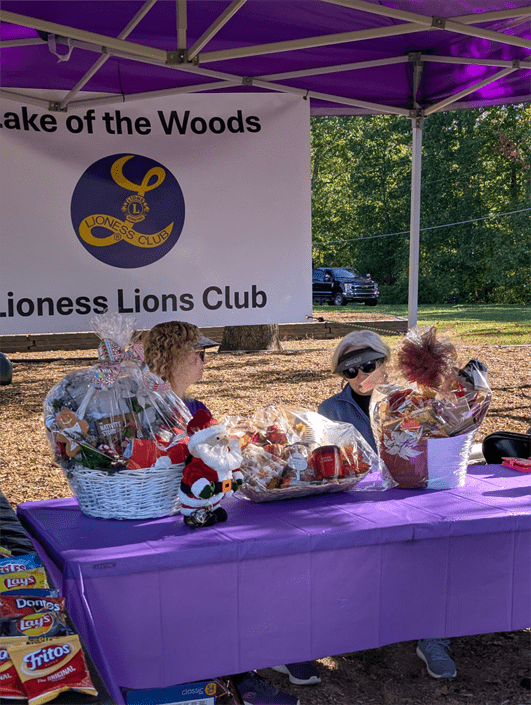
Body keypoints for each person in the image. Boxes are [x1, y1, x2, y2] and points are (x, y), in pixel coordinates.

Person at [143, 320, 302, 705]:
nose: (204, 361)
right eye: (197, 353)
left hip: (203, 519)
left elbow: (220, 463)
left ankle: (238, 674)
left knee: (234, 585)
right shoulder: (143, 411)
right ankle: (218, 679)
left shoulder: (198, 409)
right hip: (157, 527)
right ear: (172, 356)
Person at [318, 330, 458, 680]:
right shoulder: (329, 410)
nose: (361, 376)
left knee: (432, 551)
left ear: (384, 363)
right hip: (356, 505)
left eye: (368, 365)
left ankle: (433, 638)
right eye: (350, 371)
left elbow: (441, 441)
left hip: (411, 496)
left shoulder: (412, 398)